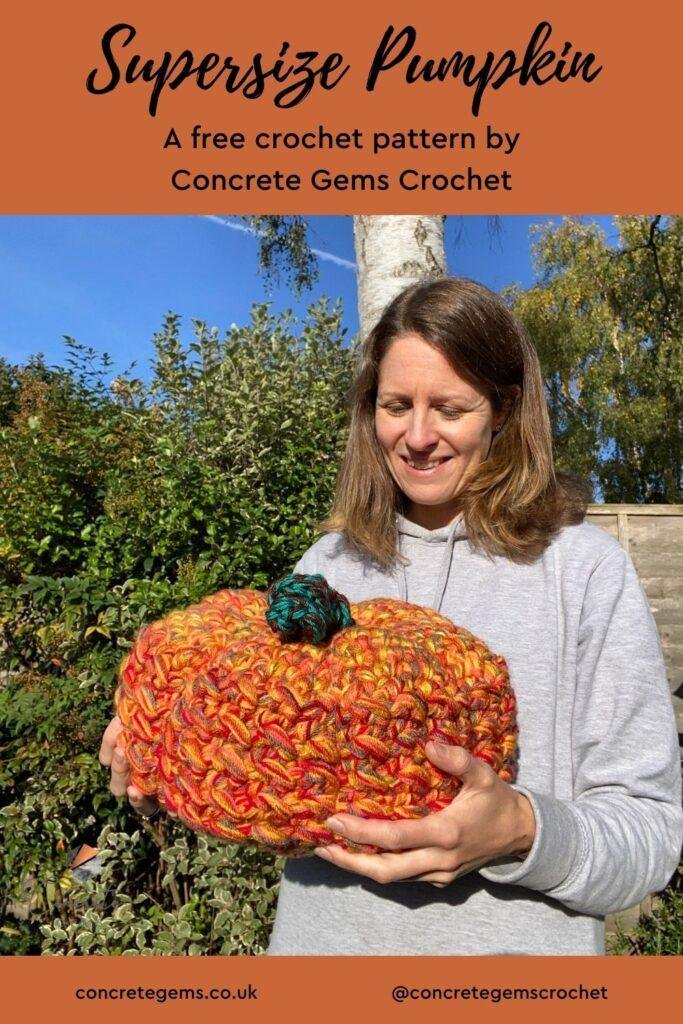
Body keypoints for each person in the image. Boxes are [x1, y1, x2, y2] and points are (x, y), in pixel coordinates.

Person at [100, 277, 682, 955]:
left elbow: (648, 835)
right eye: (395, 405)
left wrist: (523, 830)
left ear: (503, 408)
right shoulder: (327, 566)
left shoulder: (582, 571)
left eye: (450, 408)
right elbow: (270, 772)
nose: (416, 437)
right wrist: (172, 754)